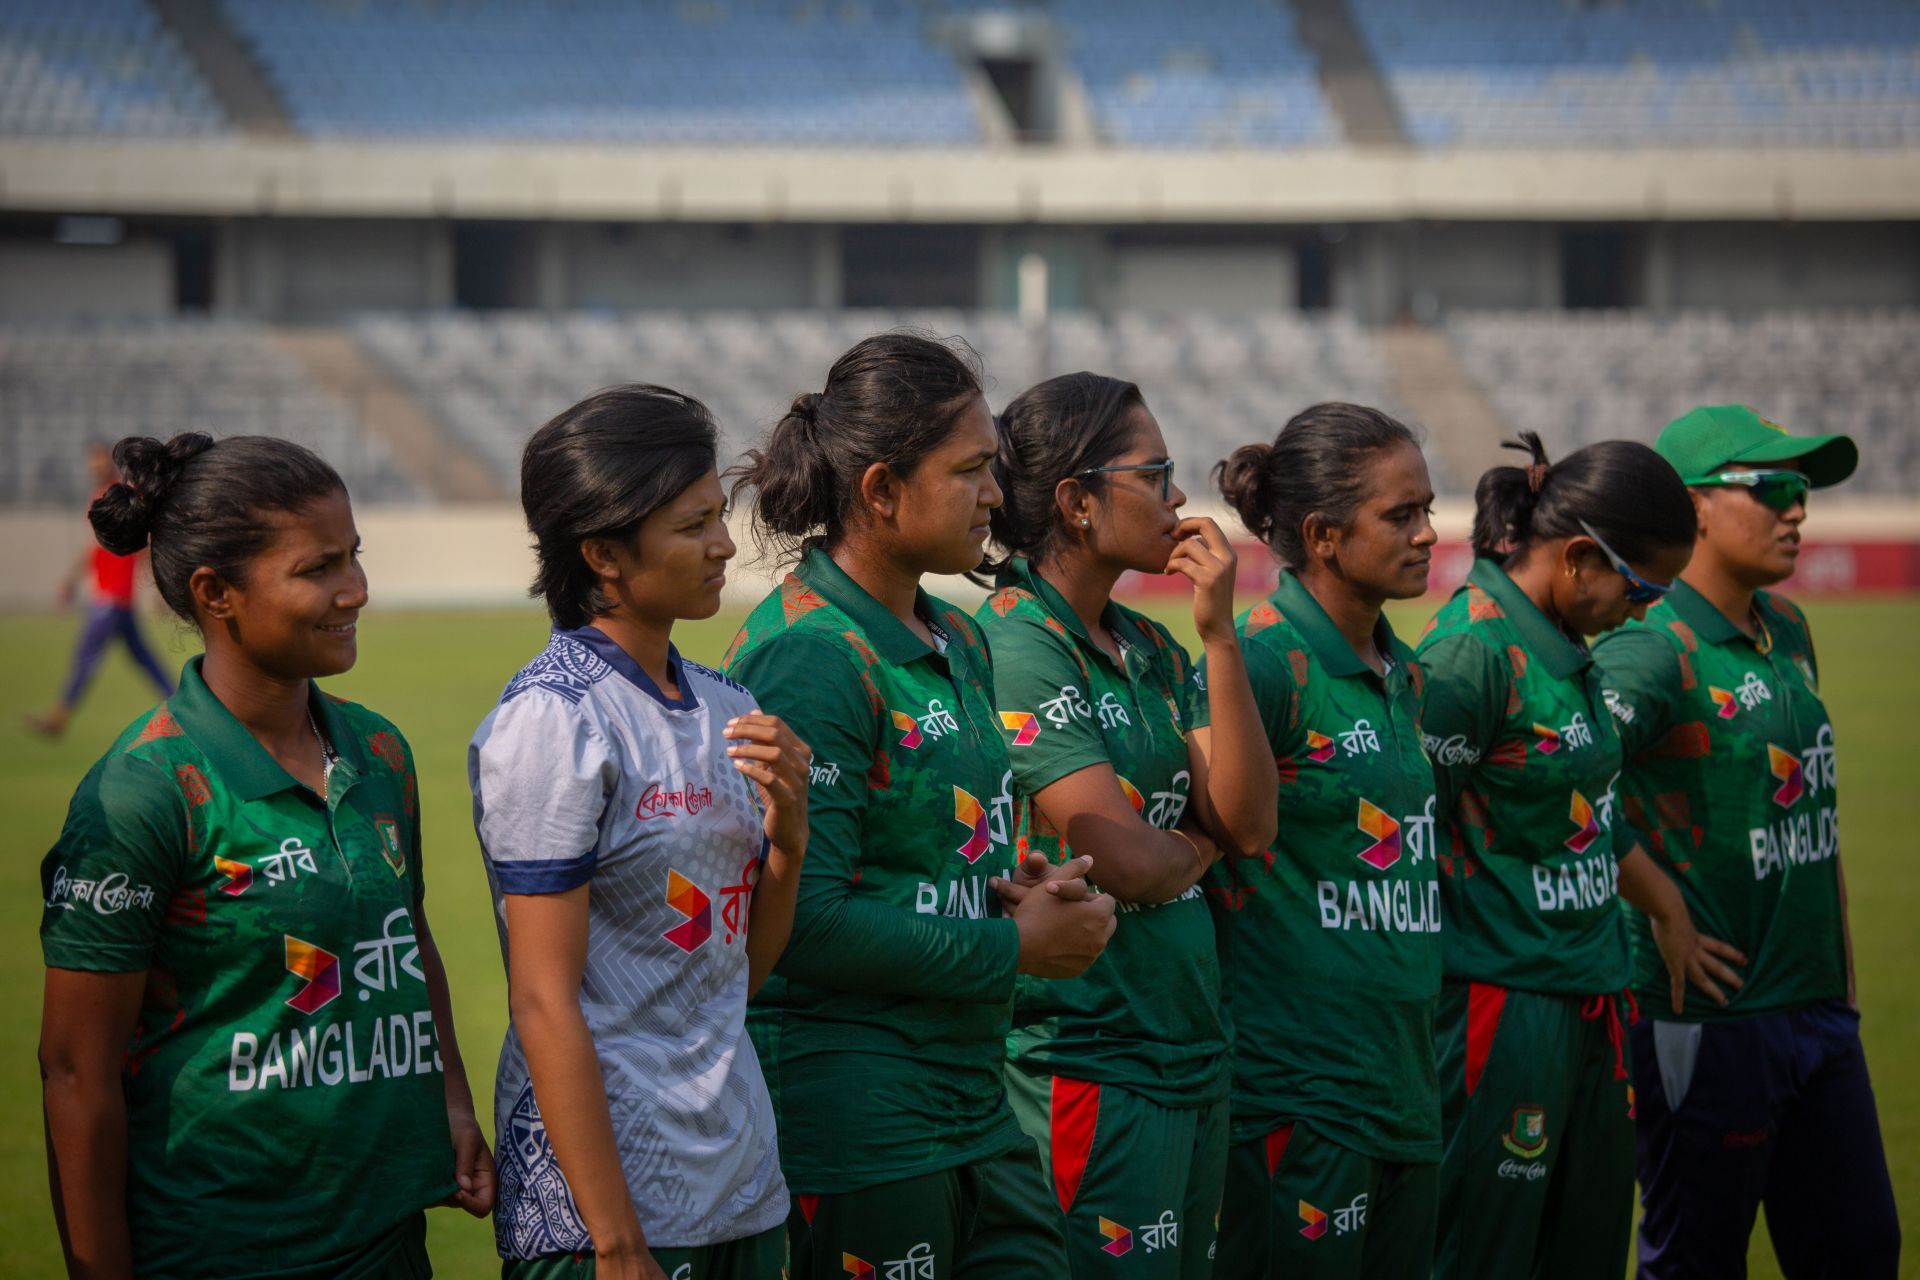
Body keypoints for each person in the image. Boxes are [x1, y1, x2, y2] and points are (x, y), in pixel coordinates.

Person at [38, 432, 494, 1280]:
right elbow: (74, 1070)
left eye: (354, 557)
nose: (355, 590)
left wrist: (452, 1099)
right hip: (225, 1252)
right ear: (217, 594)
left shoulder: (380, 753)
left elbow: (407, 940)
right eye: (318, 568)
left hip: (388, 1242)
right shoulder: (148, 792)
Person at [724, 333, 1115, 1278]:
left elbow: (922, 861)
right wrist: (1012, 951)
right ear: (881, 492)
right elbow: (800, 924)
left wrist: (1015, 893)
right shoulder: (811, 656)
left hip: (970, 1097)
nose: (996, 495)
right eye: (973, 469)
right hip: (859, 1114)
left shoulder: (956, 638)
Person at [470, 386, 809, 1280]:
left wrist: (790, 836)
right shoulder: (555, 720)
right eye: (694, 523)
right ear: (604, 555)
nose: (725, 545)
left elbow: (739, 971)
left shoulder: (728, 705)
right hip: (606, 1213)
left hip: (737, 1180)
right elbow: (543, 1000)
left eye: (720, 516)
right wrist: (615, 1240)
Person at [974, 372, 1278, 1277]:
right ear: (1076, 502)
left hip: (1188, 1051)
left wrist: (1221, 637)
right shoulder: (1018, 641)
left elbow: (1253, 823)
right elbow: (1123, 858)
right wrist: (1199, 843)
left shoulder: (1150, 644)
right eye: (1156, 474)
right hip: (1089, 1063)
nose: (1179, 499)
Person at [1592, 405, 1900, 1279]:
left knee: (1862, 1249)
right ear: (1692, 507)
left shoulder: (1789, 630)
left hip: (1819, 1015)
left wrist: (1839, 971)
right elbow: (1567, 784)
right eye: (1771, 489)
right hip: (1707, 1018)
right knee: (1698, 1261)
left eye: (1801, 490)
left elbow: (1812, 815)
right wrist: (1662, 910)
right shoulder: (1649, 652)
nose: (1796, 509)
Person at [1417, 432, 1707, 1280]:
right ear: (1581, 558)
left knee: (1583, 1250)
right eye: (1644, 589)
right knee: (1485, 1253)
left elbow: (1586, 807)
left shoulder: (1567, 642)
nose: (1646, 612)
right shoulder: (1469, 654)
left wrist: (1666, 907)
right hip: (1499, 1010)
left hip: (1589, 995)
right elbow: (1403, 840)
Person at [1207, 402, 1442, 1279]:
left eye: (1426, 507)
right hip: (1297, 1098)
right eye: (1401, 514)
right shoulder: (1262, 665)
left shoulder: (1404, 671)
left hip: (1405, 1088)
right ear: (1324, 535)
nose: (1427, 532)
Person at [28, 442, 174, 737]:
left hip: (111, 597)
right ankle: (182, 703)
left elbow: (140, 545)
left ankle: (59, 718)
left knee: (86, 657)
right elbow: (94, 548)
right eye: (90, 461)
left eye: (97, 460)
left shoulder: (119, 498)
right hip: (111, 596)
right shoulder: (104, 496)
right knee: (144, 659)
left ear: (109, 463)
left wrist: (156, 587)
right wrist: (73, 579)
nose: (93, 466)